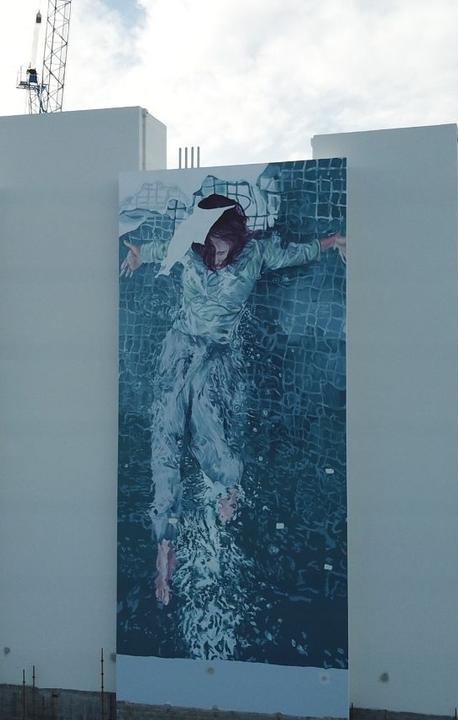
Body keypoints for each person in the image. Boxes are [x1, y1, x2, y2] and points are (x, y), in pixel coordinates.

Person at [121, 192, 345, 605]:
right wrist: (138, 254)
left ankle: (229, 484)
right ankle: (164, 542)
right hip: (178, 347)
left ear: (236, 239)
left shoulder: (256, 254)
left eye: (224, 247)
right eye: (212, 246)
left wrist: (328, 243)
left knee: (207, 423)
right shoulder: (188, 249)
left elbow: (293, 254)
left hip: (215, 353)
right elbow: (156, 250)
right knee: (165, 434)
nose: (217, 256)